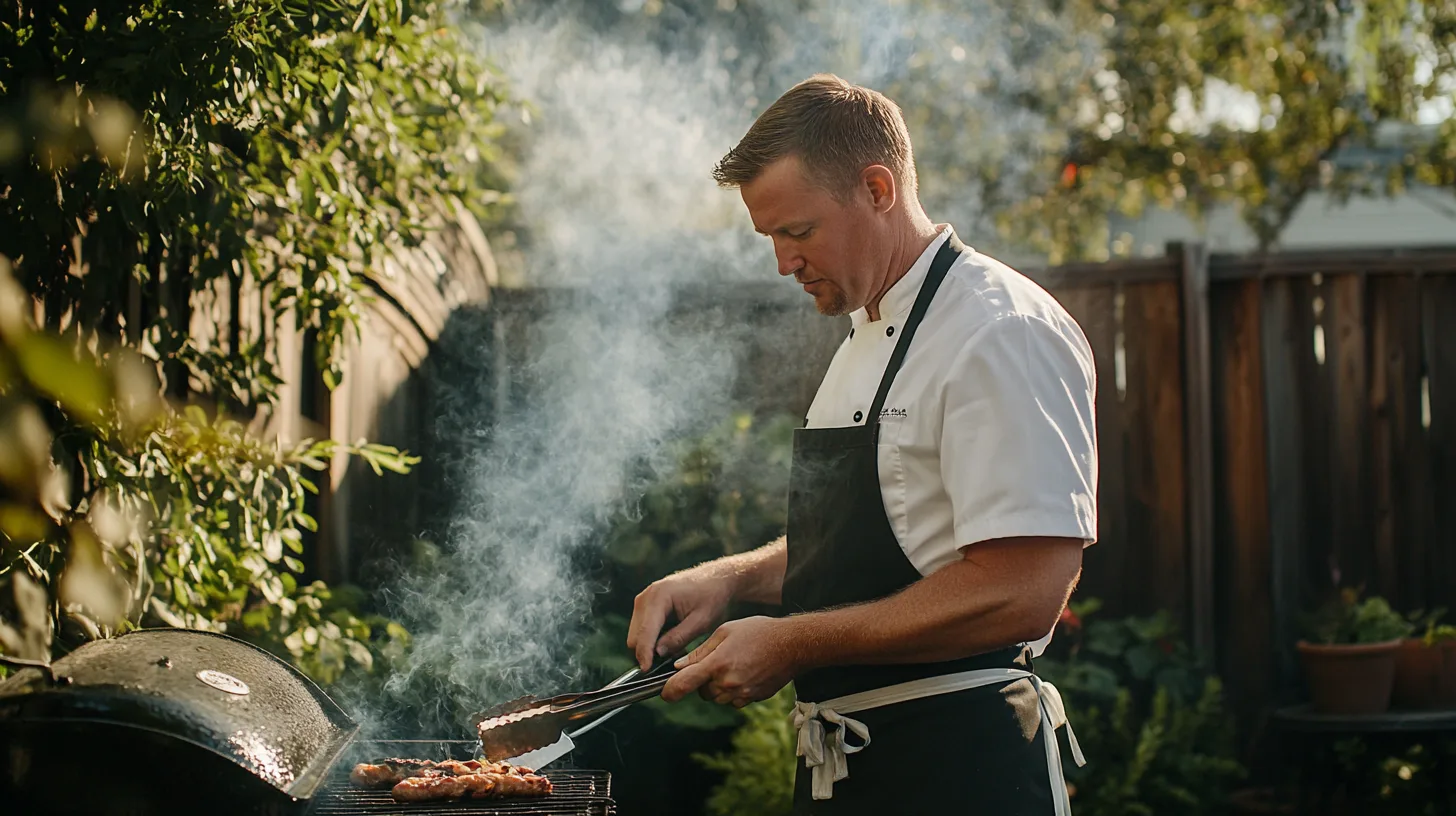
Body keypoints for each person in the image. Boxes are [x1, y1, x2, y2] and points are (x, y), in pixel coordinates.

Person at [626, 73, 1097, 814]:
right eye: (770, 236)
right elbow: (883, 532)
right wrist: (728, 581)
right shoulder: (862, 337)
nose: (782, 261)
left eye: (797, 230)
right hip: (848, 772)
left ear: (878, 188)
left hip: (958, 773)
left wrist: (792, 643)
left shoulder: (999, 331)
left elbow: (1024, 589)